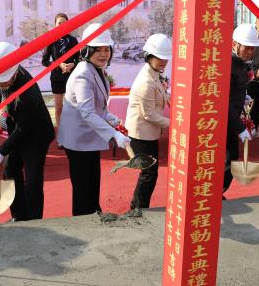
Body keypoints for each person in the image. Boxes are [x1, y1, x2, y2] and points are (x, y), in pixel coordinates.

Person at [57, 23, 130, 216]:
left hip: (87, 138)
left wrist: (112, 118)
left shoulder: (96, 69)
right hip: (78, 140)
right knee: (83, 185)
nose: (103, 54)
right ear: (87, 50)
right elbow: (87, 112)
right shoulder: (83, 74)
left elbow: (98, 107)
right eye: (98, 50)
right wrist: (114, 134)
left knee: (92, 180)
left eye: (106, 49)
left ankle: (93, 211)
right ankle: (83, 219)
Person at [0, 42, 55, 221]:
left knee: (33, 181)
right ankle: (18, 215)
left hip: (36, 136)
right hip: (19, 131)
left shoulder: (27, 95)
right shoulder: (10, 69)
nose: (1, 84)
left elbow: (22, 129)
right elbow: (1, 80)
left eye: (4, 82)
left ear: (14, 72)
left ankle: (34, 220)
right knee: (10, 170)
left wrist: (2, 151)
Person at [125, 33, 171, 210]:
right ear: (149, 56)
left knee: (149, 172)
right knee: (149, 172)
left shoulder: (153, 73)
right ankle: (138, 208)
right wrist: (175, 125)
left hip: (147, 131)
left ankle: (138, 206)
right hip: (141, 133)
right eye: (159, 57)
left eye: (165, 58)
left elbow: (161, 93)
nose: (163, 61)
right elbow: (149, 115)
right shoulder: (146, 80)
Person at [223, 24, 259, 194]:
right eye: (247, 48)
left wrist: (243, 96)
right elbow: (224, 102)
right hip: (224, 122)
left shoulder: (242, 64)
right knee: (227, 160)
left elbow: (234, 91)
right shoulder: (227, 65)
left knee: (231, 158)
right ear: (235, 44)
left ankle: (219, 193)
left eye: (253, 49)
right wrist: (240, 128)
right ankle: (217, 193)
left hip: (232, 119)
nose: (250, 52)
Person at [41, 13, 79, 128]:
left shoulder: (73, 40)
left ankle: (71, 133)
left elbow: (80, 59)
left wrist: (73, 64)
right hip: (57, 78)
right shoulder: (51, 40)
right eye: (59, 23)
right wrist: (58, 64)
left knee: (72, 108)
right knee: (58, 107)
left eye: (64, 23)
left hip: (71, 78)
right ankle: (61, 134)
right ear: (55, 25)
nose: (62, 25)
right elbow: (45, 61)